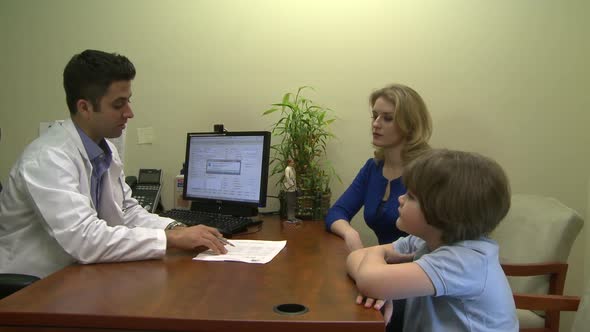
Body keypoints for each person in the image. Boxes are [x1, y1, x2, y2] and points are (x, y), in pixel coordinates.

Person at [0, 50, 227, 279]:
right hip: (32, 288)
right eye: (118, 105)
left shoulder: (104, 151)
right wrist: (171, 240)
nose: (129, 113)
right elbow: (84, 238)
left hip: (80, 274)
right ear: (85, 107)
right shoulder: (47, 159)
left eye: (128, 101)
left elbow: (126, 211)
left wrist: (174, 228)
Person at [346, 149, 518, 331]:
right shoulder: (425, 241)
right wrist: (379, 286)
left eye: (411, 196)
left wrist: (377, 258)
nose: (400, 199)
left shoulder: (465, 261)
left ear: (446, 213)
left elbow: (369, 279)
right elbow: (355, 257)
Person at [325, 83, 433, 252]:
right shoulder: (373, 168)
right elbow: (337, 212)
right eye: (374, 116)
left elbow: (437, 241)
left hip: (419, 268)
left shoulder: (429, 171)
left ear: (410, 125)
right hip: (382, 262)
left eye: (387, 118)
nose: (376, 124)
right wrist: (350, 233)